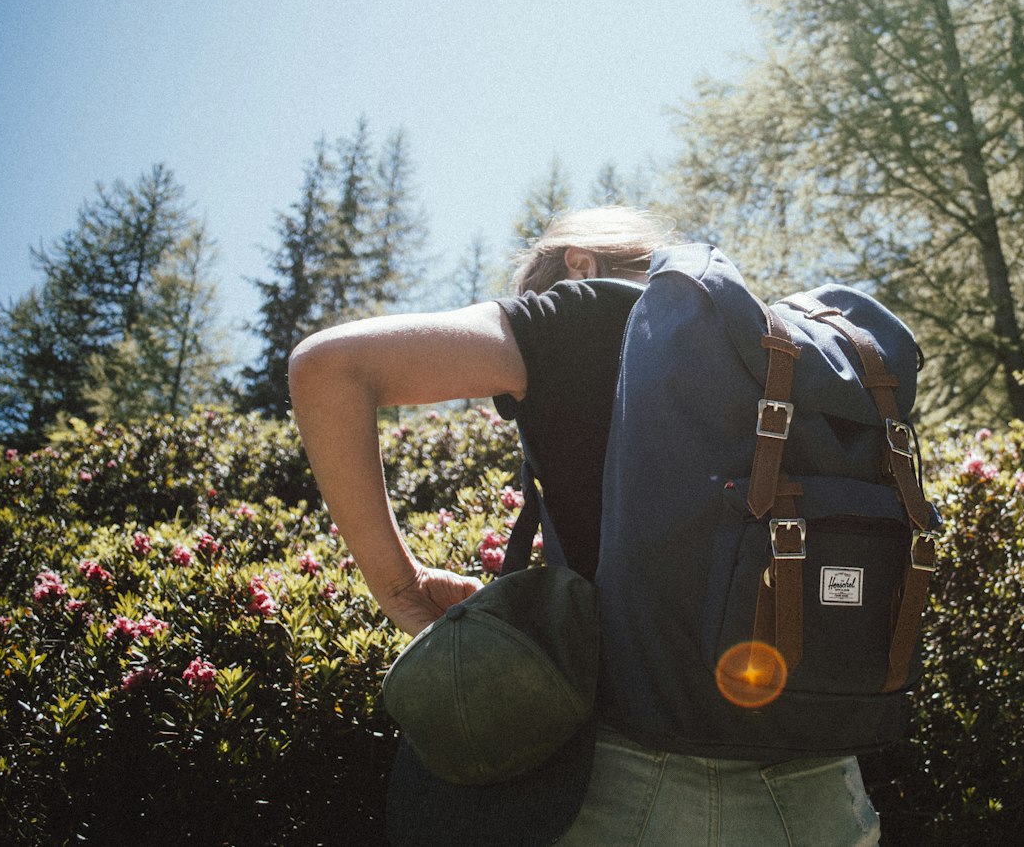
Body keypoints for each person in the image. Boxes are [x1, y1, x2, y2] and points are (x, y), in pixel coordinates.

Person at [289, 206, 881, 846]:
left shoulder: (586, 310)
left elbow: (329, 366)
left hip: (636, 772)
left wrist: (400, 587)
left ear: (578, 263)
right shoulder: (781, 352)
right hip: (824, 785)